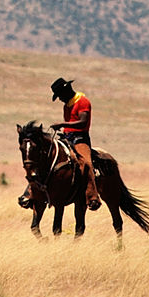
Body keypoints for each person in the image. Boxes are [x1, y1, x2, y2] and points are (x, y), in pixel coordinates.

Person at [49, 77, 101, 210]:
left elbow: (83, 122)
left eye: (60, 95)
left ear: (66, 91)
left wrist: (62, 124)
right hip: (67, 137)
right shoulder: (66, 105)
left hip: (80, 138)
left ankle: (92, 197)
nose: (60, 99)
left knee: (87, 163)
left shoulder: (83, 101)